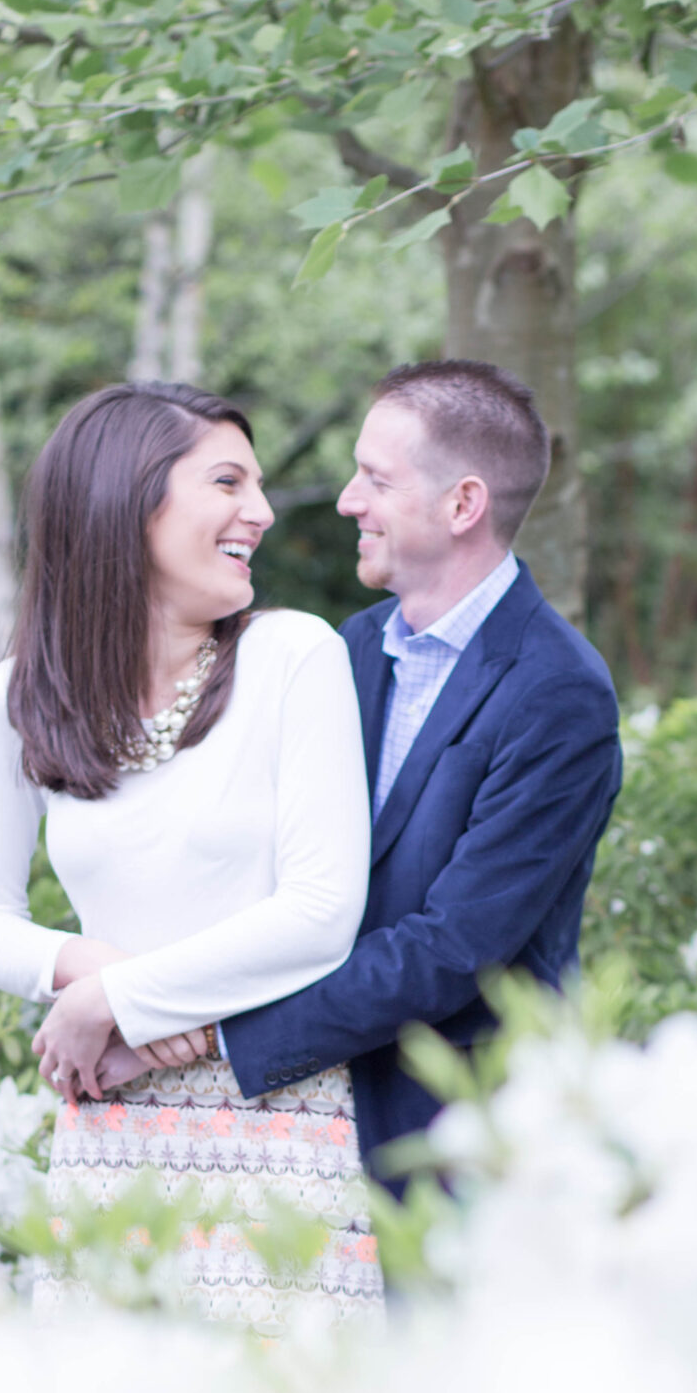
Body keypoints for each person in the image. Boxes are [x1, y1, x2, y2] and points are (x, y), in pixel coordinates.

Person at [96, 359, 623, 1188]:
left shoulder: (558, 692)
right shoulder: (342, 651)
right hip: (298, 1122)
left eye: (375, 478)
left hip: (458, 1136)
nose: (346, 500)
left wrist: (204, 1037)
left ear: (463, 505)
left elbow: (455, 948)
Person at [0, 381, 382, 1328]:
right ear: (127, 497)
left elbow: (321, 915)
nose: (259, 513)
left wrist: (116, 1003)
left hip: (279, 1125)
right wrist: (87, 970)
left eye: (257, 487)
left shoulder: (292, 658)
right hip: (111, 1132)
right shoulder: (21, 698)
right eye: (227, 482)